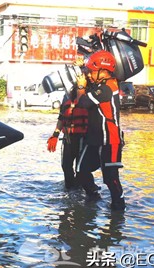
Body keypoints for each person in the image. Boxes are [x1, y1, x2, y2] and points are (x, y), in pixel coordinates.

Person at [74, 50, 126, 211]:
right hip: (95, 138)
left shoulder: (107, 89)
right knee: (81, 171)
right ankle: (93, 195)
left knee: (110, 178)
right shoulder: (102, 84)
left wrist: (81, 86)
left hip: (110, 140)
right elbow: (90, 86)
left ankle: (119, 206)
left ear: (103, 72)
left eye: (91, 72)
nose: (89, 75)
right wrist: (82, 68)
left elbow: (82, 102)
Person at [46, 57, 92, 190]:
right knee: (66, 165)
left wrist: (84, 66)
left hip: (84, 138)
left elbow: (88, 78)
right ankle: (70, 190)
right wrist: (55, 134)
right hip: (69, 139)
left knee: (81, 168)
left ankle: (84, 191)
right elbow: (62, 117)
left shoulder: (88, 93)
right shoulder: (67, 97)